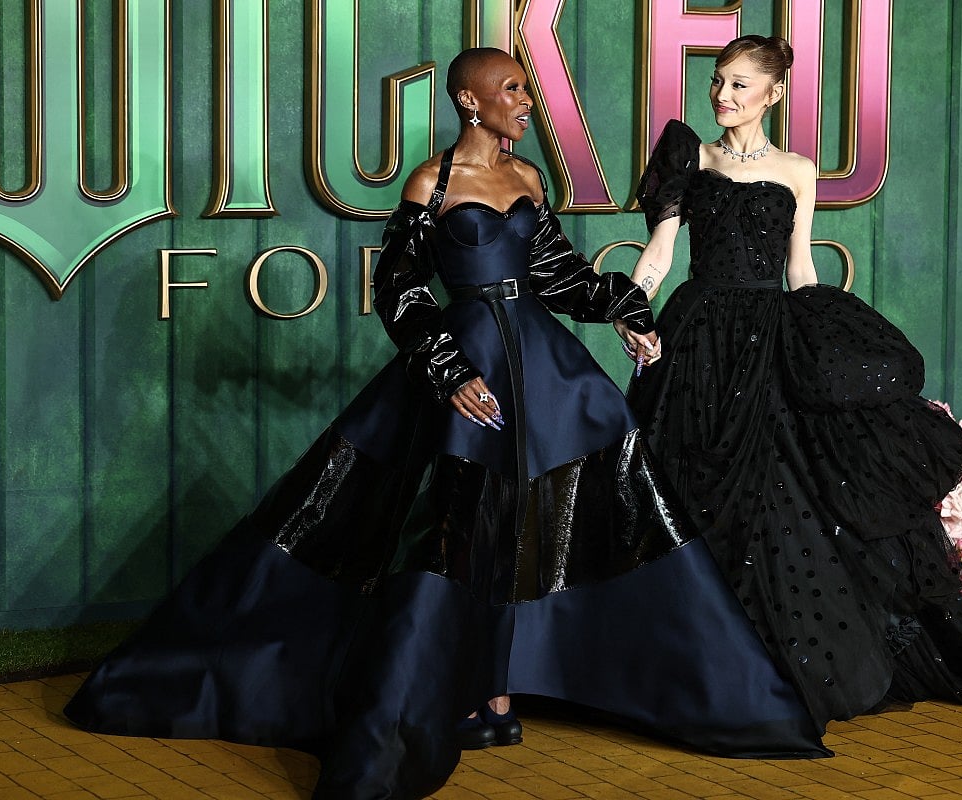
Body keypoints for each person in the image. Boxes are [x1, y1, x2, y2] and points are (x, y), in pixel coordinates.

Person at [65, 48, 830, 800]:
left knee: (557, 522)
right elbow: (396, 285)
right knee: (455, 530)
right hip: (466, 374)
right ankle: (445, 695)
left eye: (528, 90)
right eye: (511, 90)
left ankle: (501, 697)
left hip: (547, 372)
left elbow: (557, 274)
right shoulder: (431, 182)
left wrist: (628, 310)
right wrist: (447, 369)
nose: (526, 103)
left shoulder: (528, 177)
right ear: (471, 101)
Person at [623, 34, 962, 733]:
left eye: (738, 85)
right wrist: (631, 311)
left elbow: (800, 271)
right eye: (718, 82)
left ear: (773, 93)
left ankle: (770, 672)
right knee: (683, 493)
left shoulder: (797, 169)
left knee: (776, 501)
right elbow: (659, 255)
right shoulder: (687, 155)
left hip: (769, 341)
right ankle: (681, 666)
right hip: (697, 337)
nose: (722, 96)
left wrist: (830, 345)